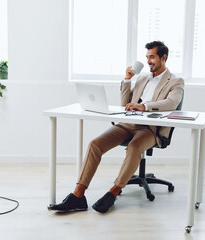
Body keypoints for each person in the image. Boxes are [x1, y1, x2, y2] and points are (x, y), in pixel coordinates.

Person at [48, 41, 184, 214]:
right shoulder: (142, 78)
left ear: (163, 57)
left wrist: (144, 106)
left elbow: (172, 102)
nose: (148, 61)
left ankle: (113, 192)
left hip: (150, 129)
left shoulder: (176, 81)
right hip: (128, 124)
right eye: (147, 57)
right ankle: (78, 196)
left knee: (134, 147)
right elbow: (124, 104)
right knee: (95, 145)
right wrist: (127, 80)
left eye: (152, 57)